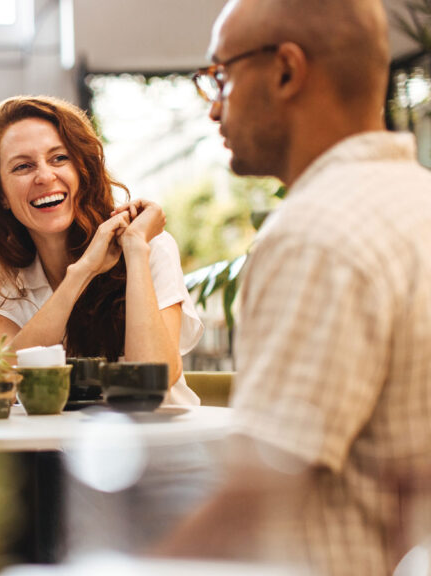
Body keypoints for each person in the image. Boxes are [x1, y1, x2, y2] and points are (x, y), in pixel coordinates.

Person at [158, 1, 431, 574]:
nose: (213, 110)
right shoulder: (417, 203)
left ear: (286, 71)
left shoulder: (317, 235)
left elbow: (255, 507)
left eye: (221, 76)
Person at [0, 95, 202, 404]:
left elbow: (155, 377)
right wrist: (82, 272)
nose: (45, 177)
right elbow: (0, 382)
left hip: (159, 445)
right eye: (23, 166)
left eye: (59, 158)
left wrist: (135, 251)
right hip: (58, 448)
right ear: (2, 195)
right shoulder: (4, 272)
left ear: (82, 170)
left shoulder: (148, 244)